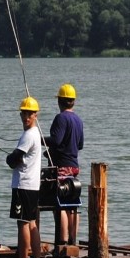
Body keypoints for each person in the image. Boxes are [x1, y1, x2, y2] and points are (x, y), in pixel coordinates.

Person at [6, 96, 43, 258]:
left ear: (36, 115)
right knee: (32, 223)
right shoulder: (36, 134)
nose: (26, 117)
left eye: (30, 114)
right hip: (33, 185)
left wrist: (10, 158)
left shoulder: (28, 135)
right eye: (24, 113)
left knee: (23, 224)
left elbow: (13, 160)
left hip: (24, 184)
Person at [47, 83, 84, 247]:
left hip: (61, 165)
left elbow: (56, 141)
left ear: (60, 101)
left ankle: (62, 241)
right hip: (74, 165)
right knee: (73, 203)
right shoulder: (78, 119)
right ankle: (72, 240)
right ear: (73, 101)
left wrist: (40, 139)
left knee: (60, 204)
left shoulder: (60, 118)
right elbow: (80, 144)